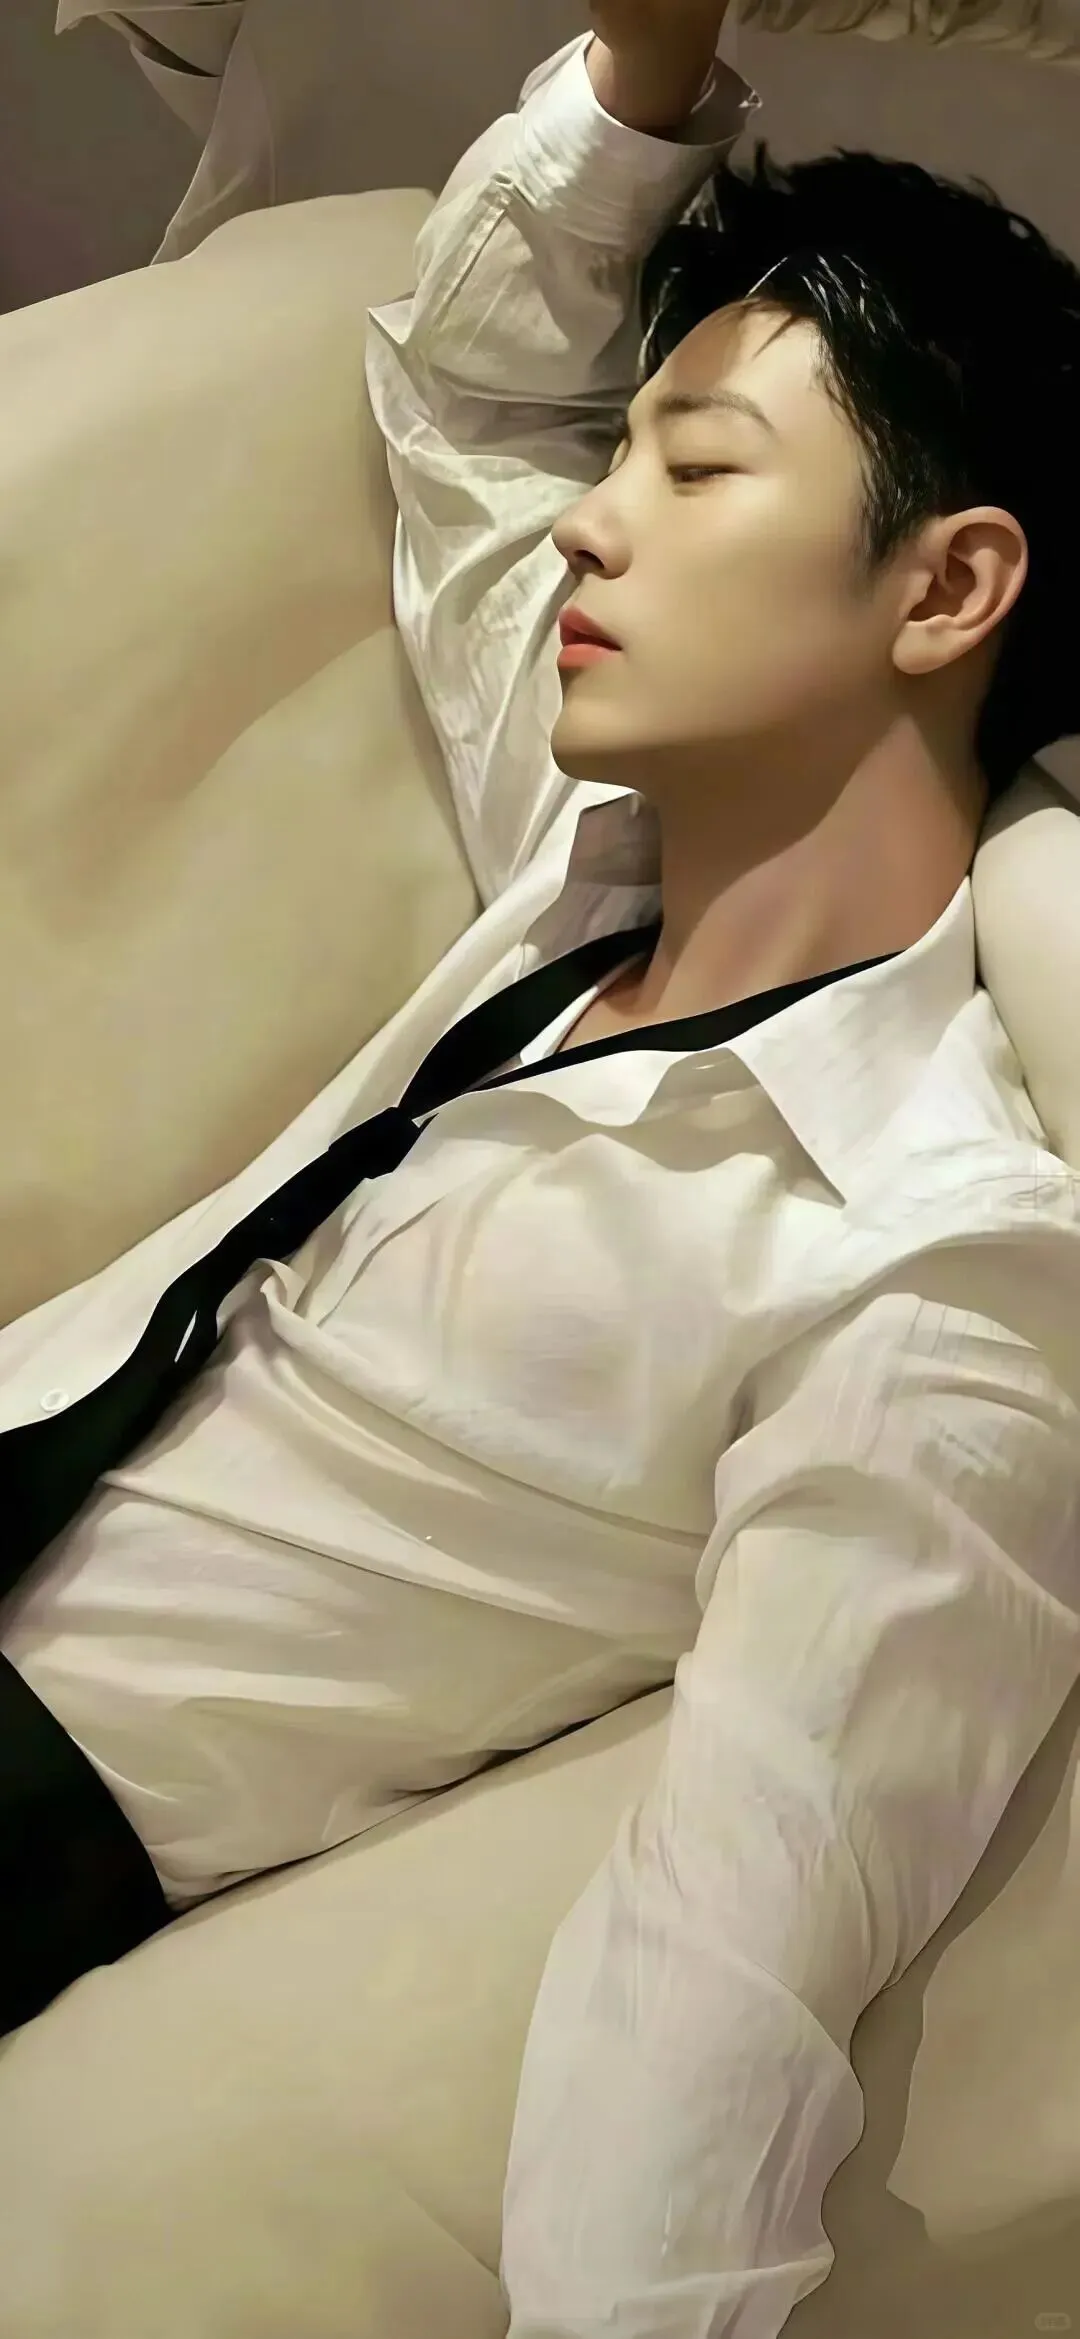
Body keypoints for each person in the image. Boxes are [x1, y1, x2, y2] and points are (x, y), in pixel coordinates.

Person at [4, 3, 1080, 2330]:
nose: (598, 515)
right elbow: (477, 386)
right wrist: (653, 60)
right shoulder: (587, 865)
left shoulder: (925, 1262)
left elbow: (734, 1949)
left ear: (945, 588)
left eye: (701, 471)